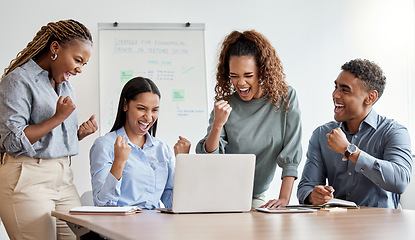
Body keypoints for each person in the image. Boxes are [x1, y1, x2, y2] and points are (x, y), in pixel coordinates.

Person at [0, 19, 98, 240]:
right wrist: (58, 118)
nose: (80, 69)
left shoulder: (64, 84)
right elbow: (11, 142)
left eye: (84, 64)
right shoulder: (17, 81)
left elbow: (49, 139)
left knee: (80, 237)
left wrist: (78, 134)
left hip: (63, 177)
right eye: (77, 60)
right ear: (55, 48)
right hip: (27, 178)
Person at [196, 30, 302, 209]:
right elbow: (209, 158)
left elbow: (291, 152)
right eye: (234, 76)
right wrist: (217, 124)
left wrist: (284, 199)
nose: (241, 83)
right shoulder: (224, 105)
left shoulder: (286, 98)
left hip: (254, 197)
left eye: (248, 75)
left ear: (263, 71)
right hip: (217, 195)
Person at [297, 59, 413, 208]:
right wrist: (313, 196)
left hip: (383, 226)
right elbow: (306, 187)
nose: (335, 95)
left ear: (370, 97)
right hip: (337, 225)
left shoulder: (394, 132)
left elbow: (400, 181)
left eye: (345, 90)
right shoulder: (322, 134)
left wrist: (349, 150)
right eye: (336, 87)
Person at [90, 77, 191, 210]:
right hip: (120, 225)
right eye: (142, 108)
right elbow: (103, 205)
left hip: (155, 225)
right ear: (125, 105)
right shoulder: (105, 145)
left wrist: (183, 164)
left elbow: (173, 204)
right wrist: (119, 162)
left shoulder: (162, 149)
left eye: (154, 110)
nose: (149, 117)